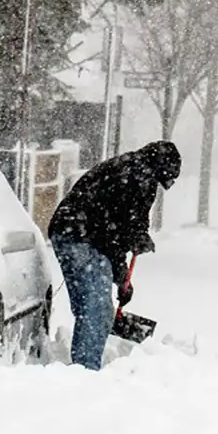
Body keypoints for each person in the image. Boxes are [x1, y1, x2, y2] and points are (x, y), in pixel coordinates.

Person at [47, 140, 181, 370]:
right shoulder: (138, 177)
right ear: (161, 168)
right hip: (81, 236)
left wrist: (122, 274)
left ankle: (83, 366)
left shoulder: (132, 167)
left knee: (90, 306)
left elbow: (125, 226)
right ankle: (85, 371)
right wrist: (122, 270)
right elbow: (119, 229)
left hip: (69, 232)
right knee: (95, 309)